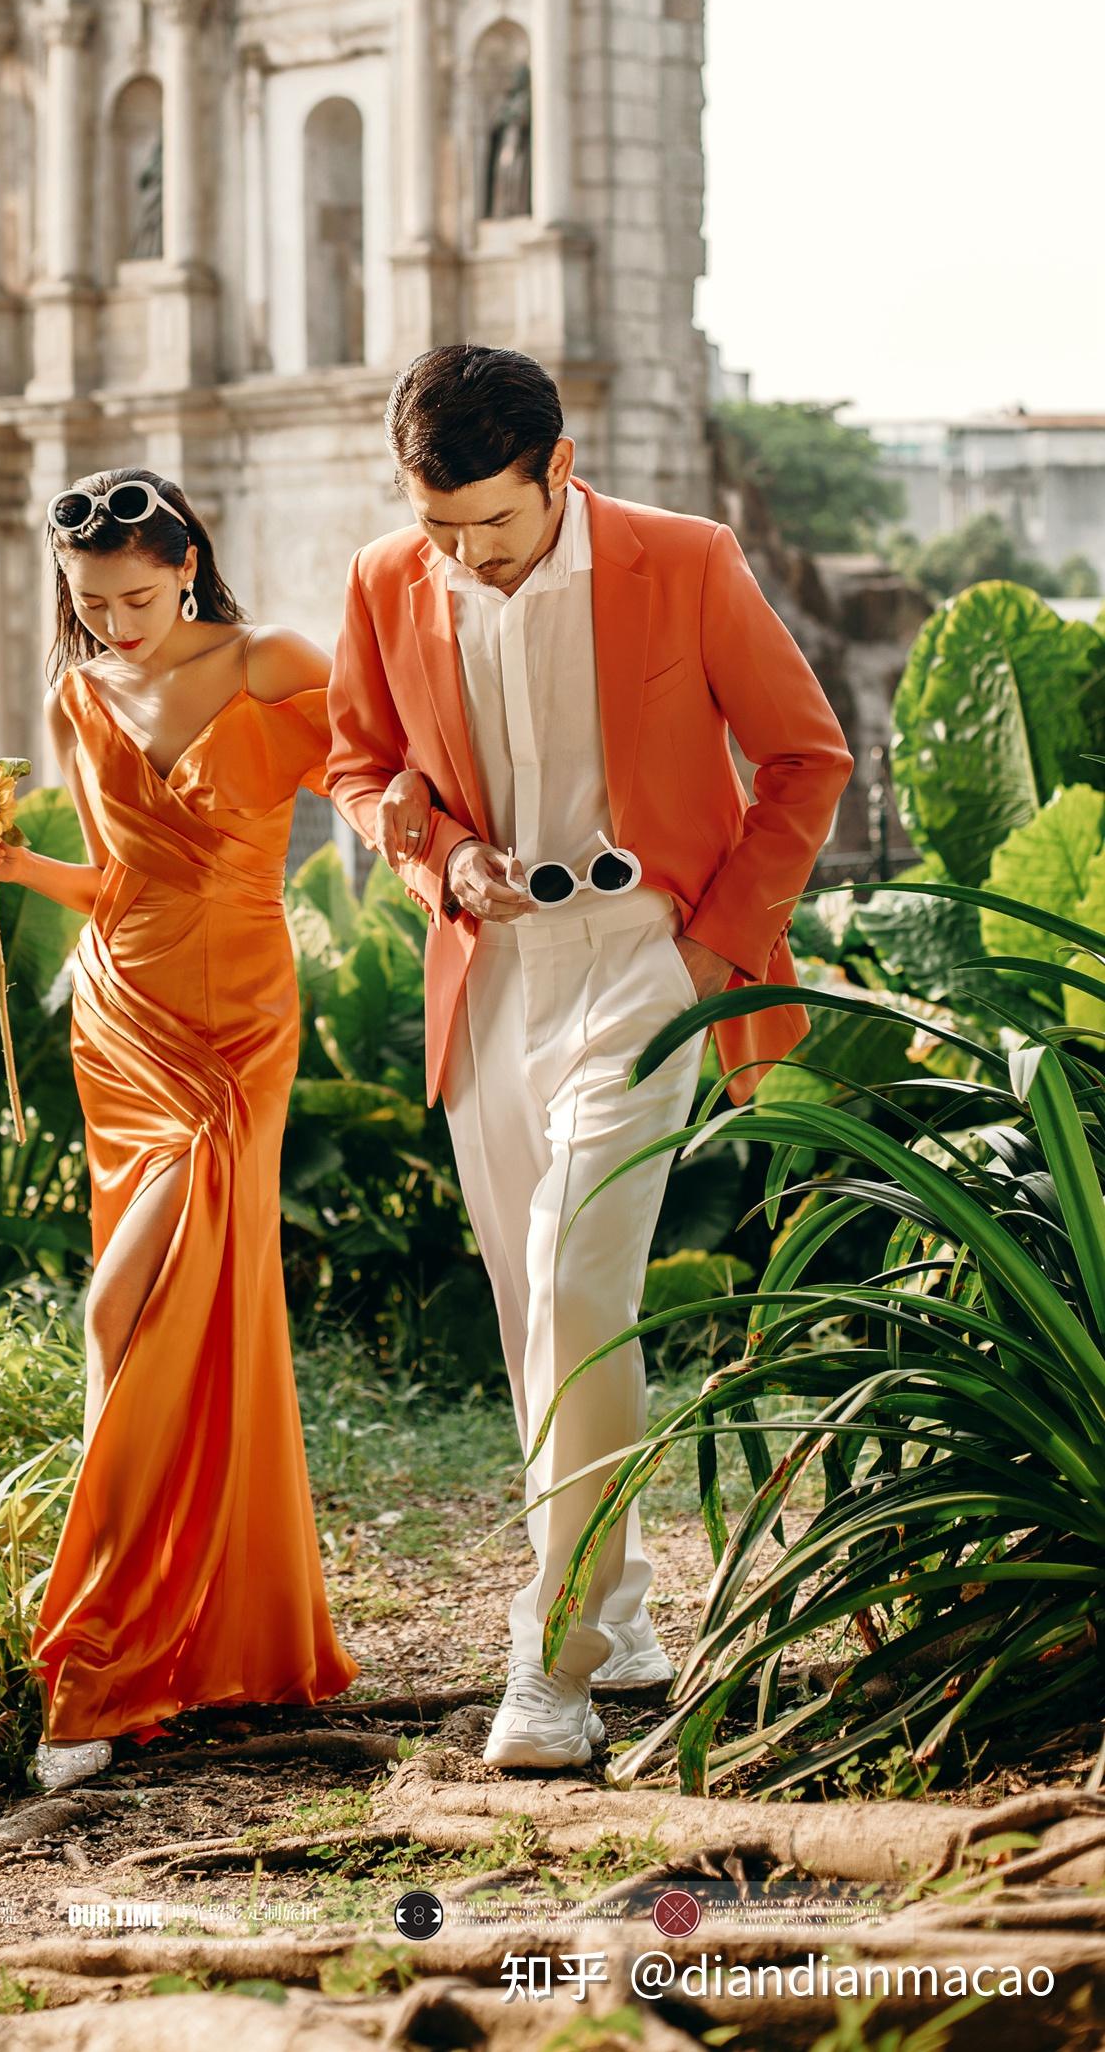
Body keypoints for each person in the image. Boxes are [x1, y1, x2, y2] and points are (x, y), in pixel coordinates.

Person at [325, 346, 852, 1772]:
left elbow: (807, 758)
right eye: (437, 526)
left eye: (490, 523)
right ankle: (619, 1610)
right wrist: (436, 854)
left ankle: (548, 1665)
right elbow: (357, 766)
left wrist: (704, 951)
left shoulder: (685, 561)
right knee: (532, 1312)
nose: (462, 555)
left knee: (577, 1282)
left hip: (647, 959)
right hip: (492, 972)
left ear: (559, 470)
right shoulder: (387, 580)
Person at [0, 467, 359, 1789]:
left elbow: (380, 783)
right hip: (121, 1020)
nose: (116, 626)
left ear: (189, 563)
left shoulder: (271, 663)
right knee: (164, 1318)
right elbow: (115, 879)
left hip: (239, 1028)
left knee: (119, 1312)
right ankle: (170, 1641)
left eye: (138, 598)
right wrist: (18, 866)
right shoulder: (78, 691)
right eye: (91, 605)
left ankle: (100, 1656)